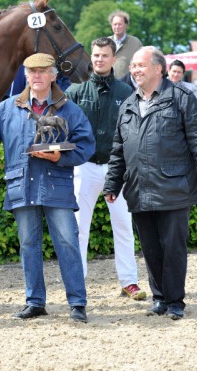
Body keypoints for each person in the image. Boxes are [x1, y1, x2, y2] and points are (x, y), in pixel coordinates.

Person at [0, 53, 95, 323]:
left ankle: (77, 303)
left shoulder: (70, 110)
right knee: (29, 245)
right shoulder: (8, 108)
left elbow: (87, 146)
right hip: (22, 186)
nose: (37, 76)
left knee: (67, 243)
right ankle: (35, 302)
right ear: (26, 76)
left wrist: (61, 157)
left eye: (42, 71)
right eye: (32, 72)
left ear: (53, 76)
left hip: (57, 185)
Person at [104, 46, 197, 320]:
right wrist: (112, 184)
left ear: (158, 68)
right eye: (132, 66)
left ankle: (175, 301)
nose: (135, 70)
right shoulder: (128, 104)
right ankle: (159, 298)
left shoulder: (180, 97)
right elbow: (119, 149)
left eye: (140, 65)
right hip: (139, 188)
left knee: (173, 246)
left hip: (174, 185)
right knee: (151, 248)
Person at [65, 37, 146, 301]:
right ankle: (78, 282)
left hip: (117, 168)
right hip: (84, 167)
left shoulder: (126, 93)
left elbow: (135, 133)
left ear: (114, 59)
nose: (100, 59)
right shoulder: (75, 92)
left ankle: (129, 281)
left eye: (104, 55)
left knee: (123, 224)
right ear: (91, 57)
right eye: (96, 55)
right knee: (79, 227)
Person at [108, 10, 142, 79]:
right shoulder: (106, 42)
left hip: (128, 85)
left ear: (126, 25)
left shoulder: (135, 43)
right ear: (111, 25)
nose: (117, 27)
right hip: (108, 85)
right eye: (115, 24)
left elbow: (142, 63)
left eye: (120, 24)